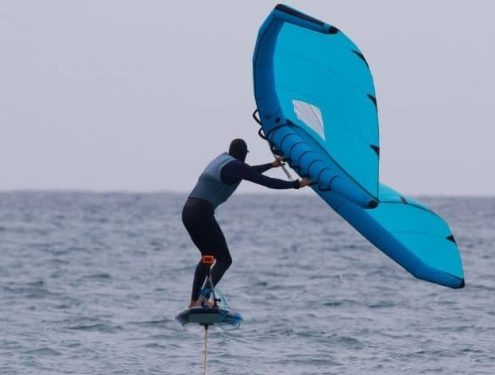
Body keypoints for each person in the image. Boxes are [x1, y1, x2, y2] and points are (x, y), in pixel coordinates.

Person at [182, 138, 312, 308]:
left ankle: (194, 301)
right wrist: (297, 184)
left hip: (188, 211)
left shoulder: (222, 161)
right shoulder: (235, 166)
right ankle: (204, 298)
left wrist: (272, 165)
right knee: (224, 259)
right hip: (202, 212)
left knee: (208, 256)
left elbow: (247, 171)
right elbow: (264, 181)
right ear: (244, 154)